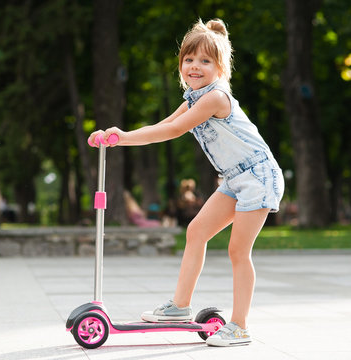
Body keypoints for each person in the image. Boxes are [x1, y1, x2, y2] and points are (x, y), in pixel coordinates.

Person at [88, 18, 284, 347]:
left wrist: (122, 138)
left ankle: (239, 326)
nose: (195, 66)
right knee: (196, 232)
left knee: (238, 251)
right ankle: (179, 307)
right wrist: (118, 137)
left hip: (258, 177)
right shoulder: (194, 98)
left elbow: (173, 131)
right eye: (189, 60)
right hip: (236, 179)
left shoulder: (216, 98)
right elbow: (163, 126)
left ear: (220, 68)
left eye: (205, 61)